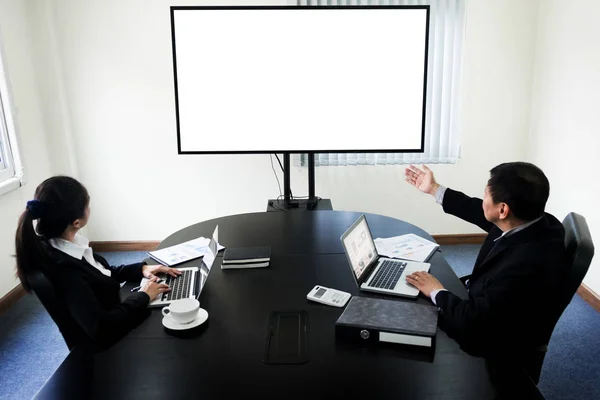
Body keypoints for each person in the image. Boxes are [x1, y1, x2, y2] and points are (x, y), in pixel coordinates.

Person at [403, 162, 566, 370]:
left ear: (503, 209)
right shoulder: (538, 222)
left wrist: (437, 292)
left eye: (486, 196)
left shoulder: (525, 265)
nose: (482, 202)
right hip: (489, 301)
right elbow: (477, 210)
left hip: (492, 341)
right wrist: (434, 188)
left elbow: (475, 323)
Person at [15, 176, 181, 350]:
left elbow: (101, 273)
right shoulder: (65, 270)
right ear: (76, 222)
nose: (89, 209)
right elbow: (101, 328)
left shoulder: (64, 247)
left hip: (116, 312)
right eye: (87, 206)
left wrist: (142, 268)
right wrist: (144, 296)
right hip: (109, 344)